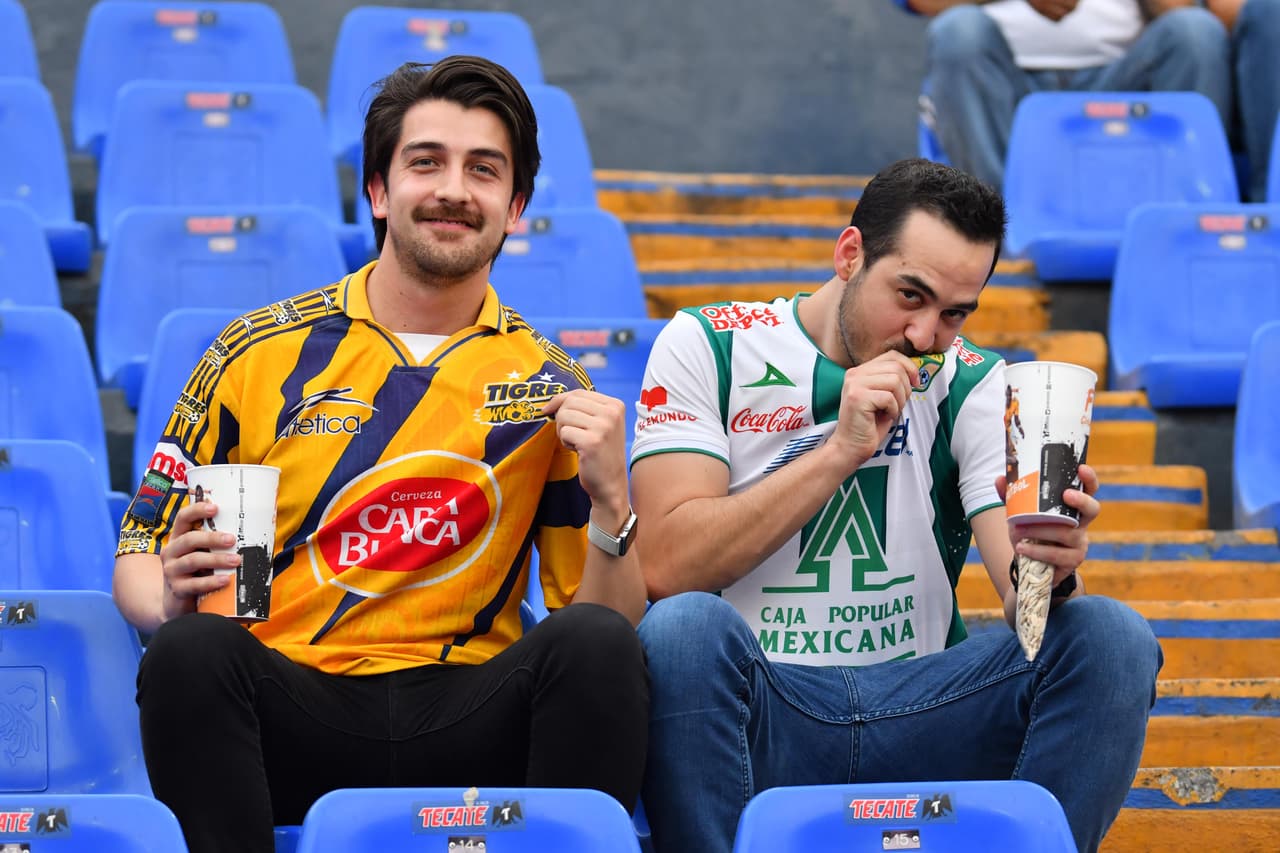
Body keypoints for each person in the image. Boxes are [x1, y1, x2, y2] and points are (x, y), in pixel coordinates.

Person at [112, 57, 649, 853]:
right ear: (377, 189)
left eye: (484, 170)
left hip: (470, 717)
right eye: (425, 161)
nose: (453, 190)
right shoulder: (255, 353)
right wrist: (166, 596)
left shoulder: (550, 385)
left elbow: (606, 616)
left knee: (601, 648)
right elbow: (136, 549)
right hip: (292, 707)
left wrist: (614, 505)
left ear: (517, 207)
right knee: (189, 651)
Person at [630, 158, 1162, 853]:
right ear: (849, 254)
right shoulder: (711, 342)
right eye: (909, 295)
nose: (923, 335)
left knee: (1111, 637)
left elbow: (1021, 602)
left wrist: (1048, 570)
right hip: (762, 710)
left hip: (927, 705)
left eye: (954, 313)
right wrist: (836, 452)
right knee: (682, 631)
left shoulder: (973, 379)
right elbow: (666, 567)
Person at [902, 0, 1278, 196]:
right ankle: (997, 218)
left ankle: (1181, 206)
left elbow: (1192, 16)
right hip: (1002, 86)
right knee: (958, 32)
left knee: (1195, 33)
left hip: (1124, 82)